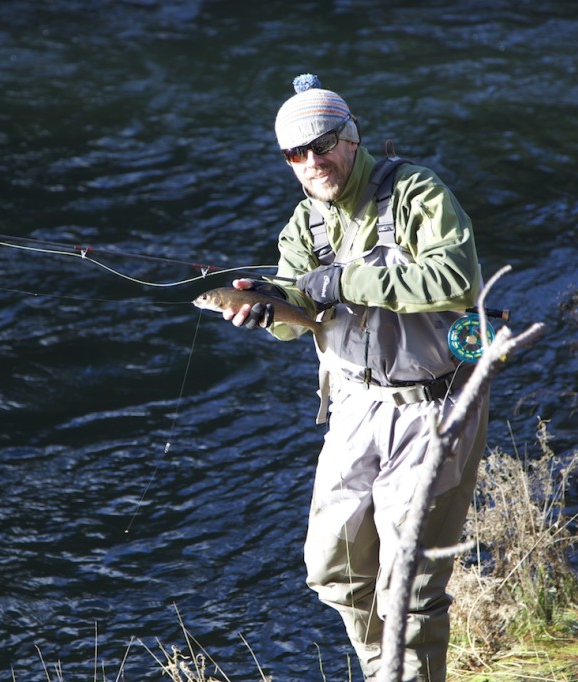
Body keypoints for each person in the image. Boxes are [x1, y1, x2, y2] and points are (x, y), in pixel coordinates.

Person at [218, 74, 489, 681]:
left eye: (323, 144)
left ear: (351, 137)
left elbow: (456, 283)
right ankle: (386, 673)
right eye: (296, 153)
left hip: (433, 408)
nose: (312, 161)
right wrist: (268, 307)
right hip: (354, 407)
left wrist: (342, 281)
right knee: (333, 571)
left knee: (410, 588)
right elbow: (297, 318)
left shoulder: (417, 193)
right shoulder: (303, 224)